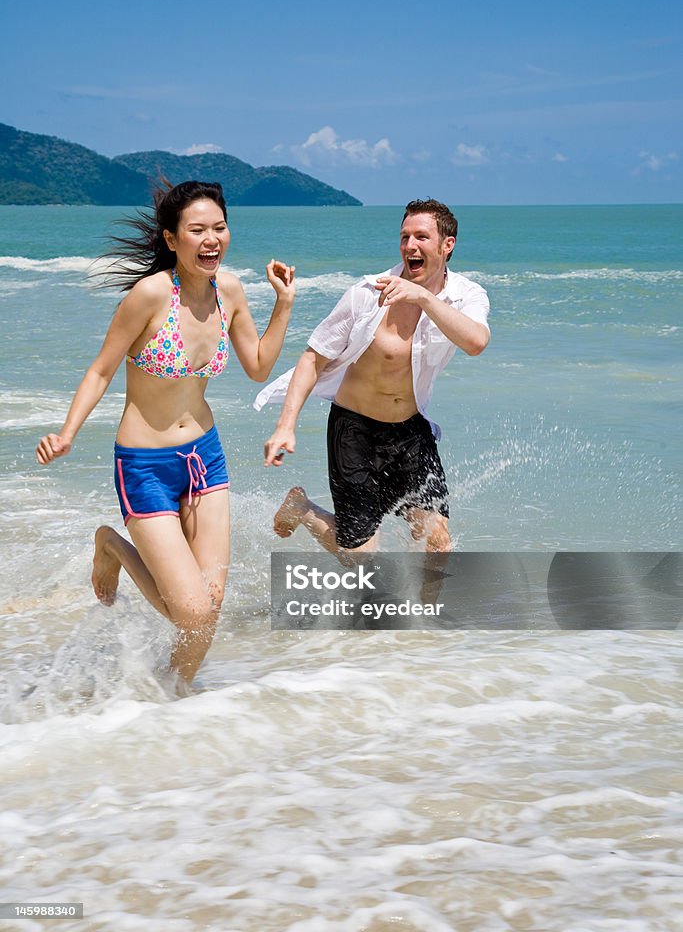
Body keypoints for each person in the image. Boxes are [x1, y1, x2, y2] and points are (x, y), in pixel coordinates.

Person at [36, 181, 295, 685]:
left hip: (205, 459)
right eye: (197, 230)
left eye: (219, 227)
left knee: (209, 608)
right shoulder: (152, 294)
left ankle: (173, 702)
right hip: (145, 465)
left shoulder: (232, 292)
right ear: (172, 240)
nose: (211, 239)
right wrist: (67, 432)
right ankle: (111, 544)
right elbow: (100, 371)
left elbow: (260, 366)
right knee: (192, 614)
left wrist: (283, 304)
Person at [257, 198, 489, 555]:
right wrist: (285, 425)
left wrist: (424, 299)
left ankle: (426, 612)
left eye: (421, 237)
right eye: (404, 237)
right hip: (355, 432)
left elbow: (476, 342)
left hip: (410, 432)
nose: (410, 246)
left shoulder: (465, 297)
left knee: (437, 541)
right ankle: (302, 509)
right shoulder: (367, 295)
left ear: (447, 244)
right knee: (361, 558)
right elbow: (312, 358)